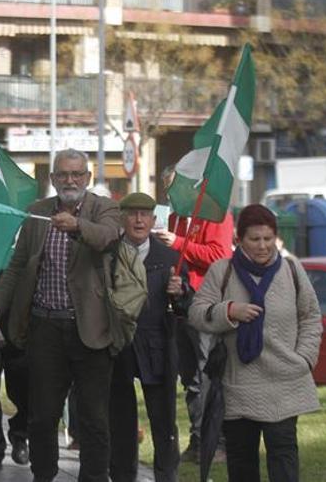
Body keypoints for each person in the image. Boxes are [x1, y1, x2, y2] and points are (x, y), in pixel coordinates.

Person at [0, 148, 120, 482]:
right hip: (45, 329)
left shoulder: (105, 208)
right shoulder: (37, 213)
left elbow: (107, 237)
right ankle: (43, 475)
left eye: (76, 174)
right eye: (62, 174)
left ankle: (94, 478)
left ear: (87, 178)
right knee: (42, 417)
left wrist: (76, 226)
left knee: (93, 419)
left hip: (90, 329)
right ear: (53, 178)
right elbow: (16, 267)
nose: (69, 180)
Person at [188, 204, 322, 482]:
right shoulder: (221, 271)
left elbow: (310, 317)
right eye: (254, 239)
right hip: (238, 384)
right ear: (239, 239)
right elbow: (197, 313)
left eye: (268, 238)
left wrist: (305, 358)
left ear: (276, 238)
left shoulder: (292, 269)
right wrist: (229, 311)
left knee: (284, 457)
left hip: (286, 380)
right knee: (241, 461)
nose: (262, 246)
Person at [108, 193, 192, 482]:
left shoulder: (170, 258)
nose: (139, 220)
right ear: (122, 218)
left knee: (164, 420)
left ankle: (166, 475)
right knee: (120, 419)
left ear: (154, 220)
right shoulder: (109, 254)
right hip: (119, 346)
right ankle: (122, 475)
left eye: (145, 214)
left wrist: (180, 293)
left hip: (158, 347)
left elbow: (186, 309)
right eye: (133, 214)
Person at [156, 165, 234, 463]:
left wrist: (177, 244)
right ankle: (199, 439)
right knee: (190, 377)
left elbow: (219, 256)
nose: (170, 195)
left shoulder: (215, 213)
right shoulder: (177, 218)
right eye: (167, 190)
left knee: (207, 374)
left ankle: (217, 442)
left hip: (207, 301)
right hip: (182, 304)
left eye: (174, 189)